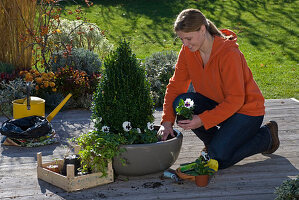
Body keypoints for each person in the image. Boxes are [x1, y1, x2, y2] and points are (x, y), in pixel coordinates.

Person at [157, 8, 279, 169]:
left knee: (217, 159)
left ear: (202, 29)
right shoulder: (187, 51)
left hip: (246, 112)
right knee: (181, 104)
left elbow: (236, 99)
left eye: (188, 38)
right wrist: (166, 121)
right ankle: (216, 145)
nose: (185, 44)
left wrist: (202, 120)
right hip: (217, 106)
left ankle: (266, 137)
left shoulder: (228, 53)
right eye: (181, 39)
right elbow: (176, 85)